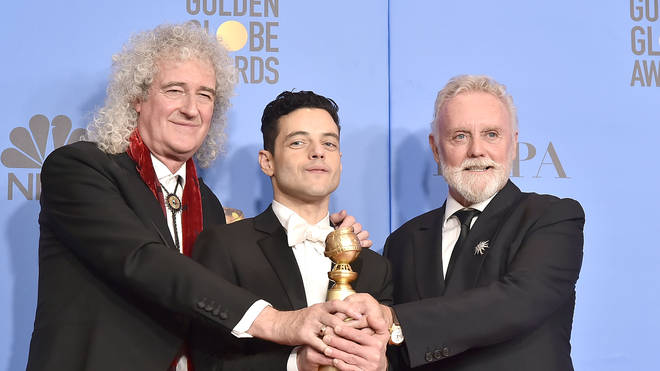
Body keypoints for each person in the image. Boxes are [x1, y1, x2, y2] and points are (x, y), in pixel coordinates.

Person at [26, 23, 377, 371]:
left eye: (205, 95)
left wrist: (327, 239)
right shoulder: (80, 169)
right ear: (137, 97)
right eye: (175, 90)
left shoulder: (206, 203)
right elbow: (144, 260)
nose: (191, 109)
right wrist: (275, 321)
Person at [326, 75, 585, 370]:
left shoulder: (551, 218)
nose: (477, 150)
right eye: (460, 136)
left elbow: (517, 302)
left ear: (513, 144)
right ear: (436, 149)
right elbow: (399, 351)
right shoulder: (403, 241)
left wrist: (396, 318)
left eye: (491, 134)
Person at [191, 90, 392, 371]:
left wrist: (381, 365)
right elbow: (205, 362)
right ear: (267, 161)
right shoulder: (226, 247)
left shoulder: (373, 265)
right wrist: (295, 363)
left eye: (329, 144)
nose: (318, 152)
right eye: (298, 142)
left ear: (340, 161)